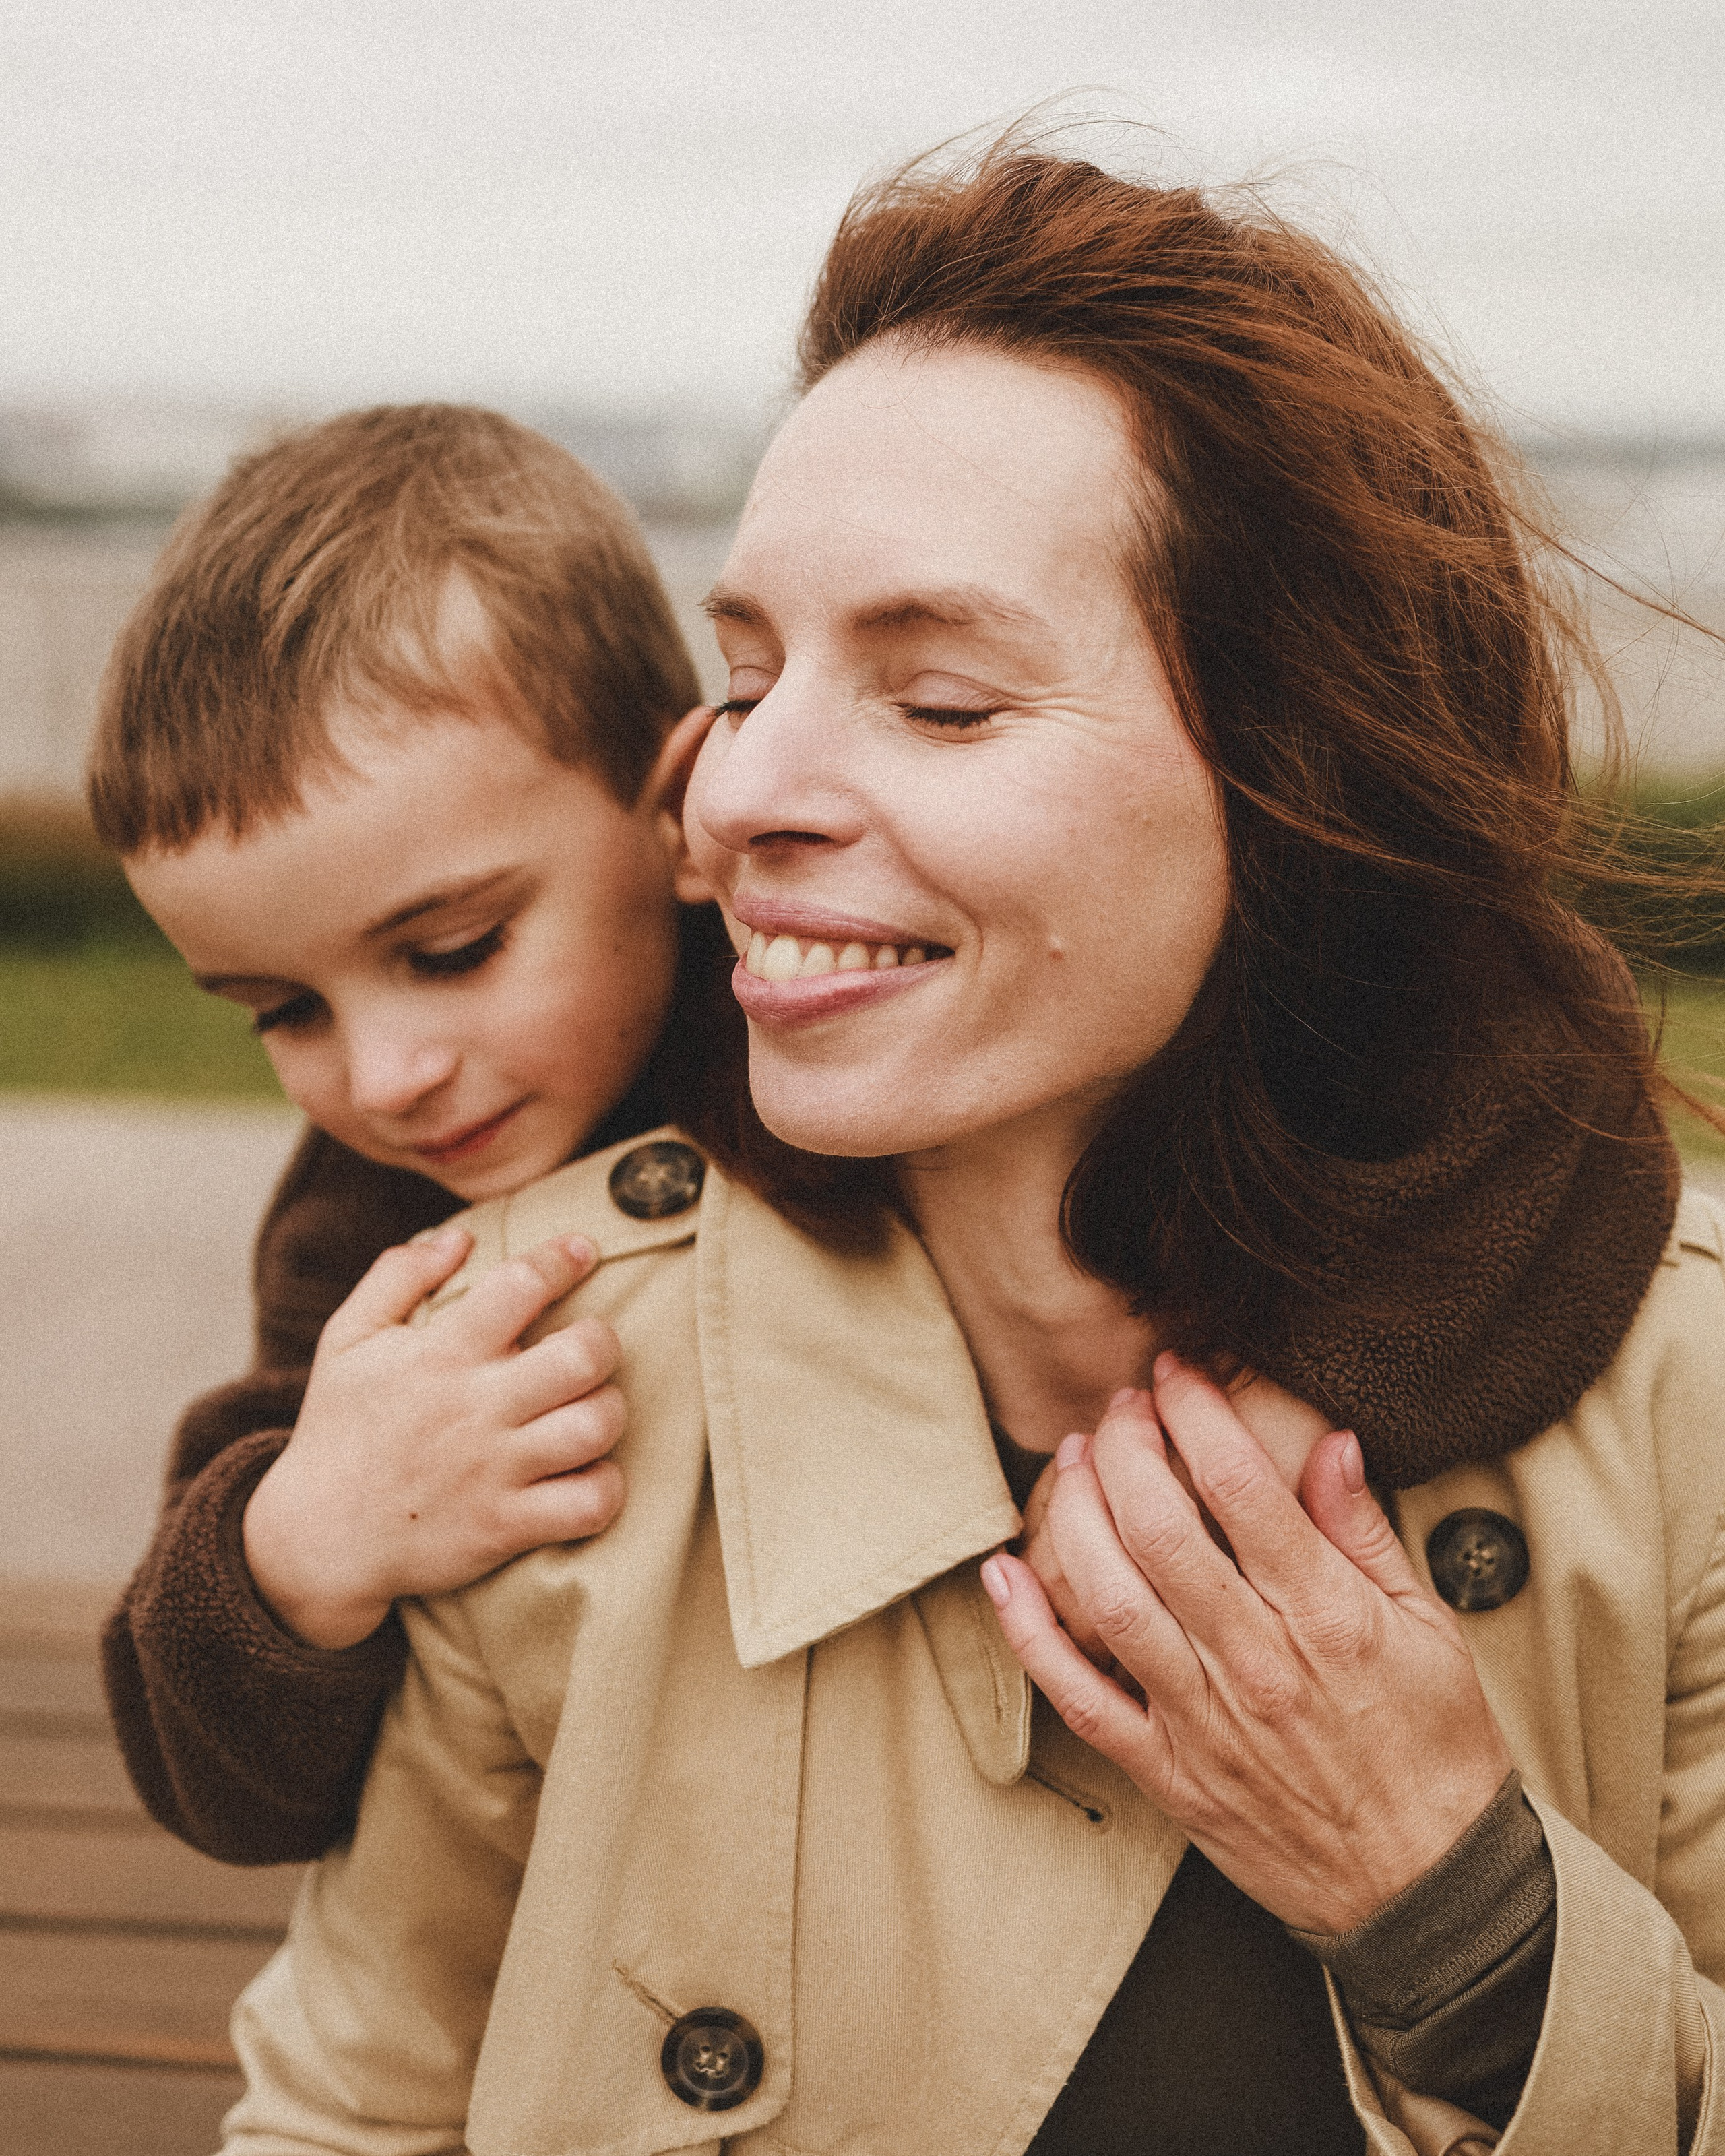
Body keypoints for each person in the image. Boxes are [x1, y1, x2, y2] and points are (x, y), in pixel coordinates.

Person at [219, 147, 1724, 2155]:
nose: (737, 793)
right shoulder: (531, 1377)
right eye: (746, 678)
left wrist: (1464, 1922)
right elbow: (345, 2112)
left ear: (1293, 778)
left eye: (936, 701)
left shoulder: (1682, 1413)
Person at [89, 403, 741, 1860]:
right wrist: (301, 1547)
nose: (384, 1081)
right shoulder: (365, 1236)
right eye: (283, 1010)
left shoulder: (850, 1046)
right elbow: (221, 1800)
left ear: (682, 815)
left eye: (450, 950)